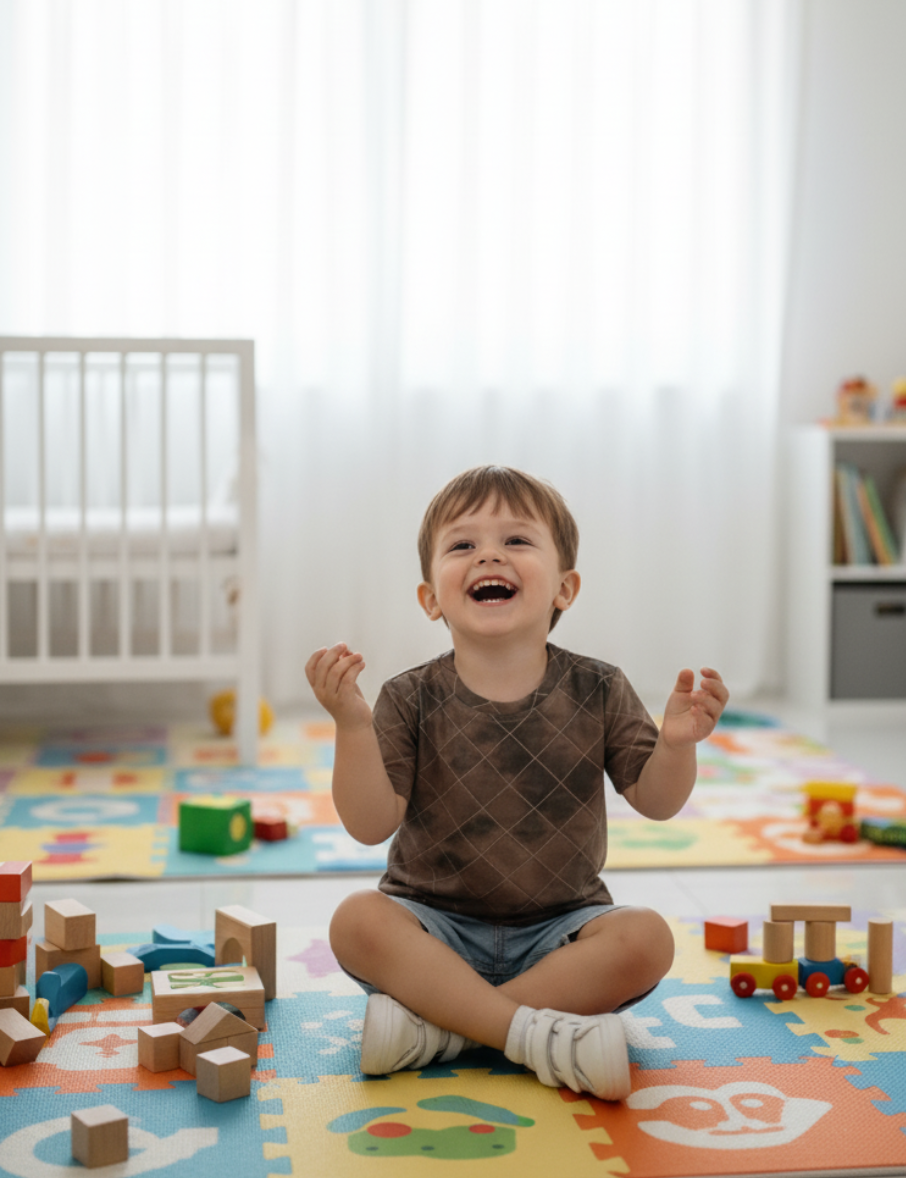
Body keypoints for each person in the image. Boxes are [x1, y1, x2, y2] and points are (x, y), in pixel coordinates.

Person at [306, 465, 728, 1102]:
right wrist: (351, 726)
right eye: (463, 545)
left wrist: (674, 747)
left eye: (517, 541)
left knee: (645, 938)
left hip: (560, 936)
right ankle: (529, 1033)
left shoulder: (600, 686)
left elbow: (658, 800)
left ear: (565, 587)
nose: (489, 556)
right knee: (356, 920)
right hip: (431, 932)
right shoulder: (408, 697)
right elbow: (369, 824)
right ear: (430, 598)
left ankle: (446, 1030)